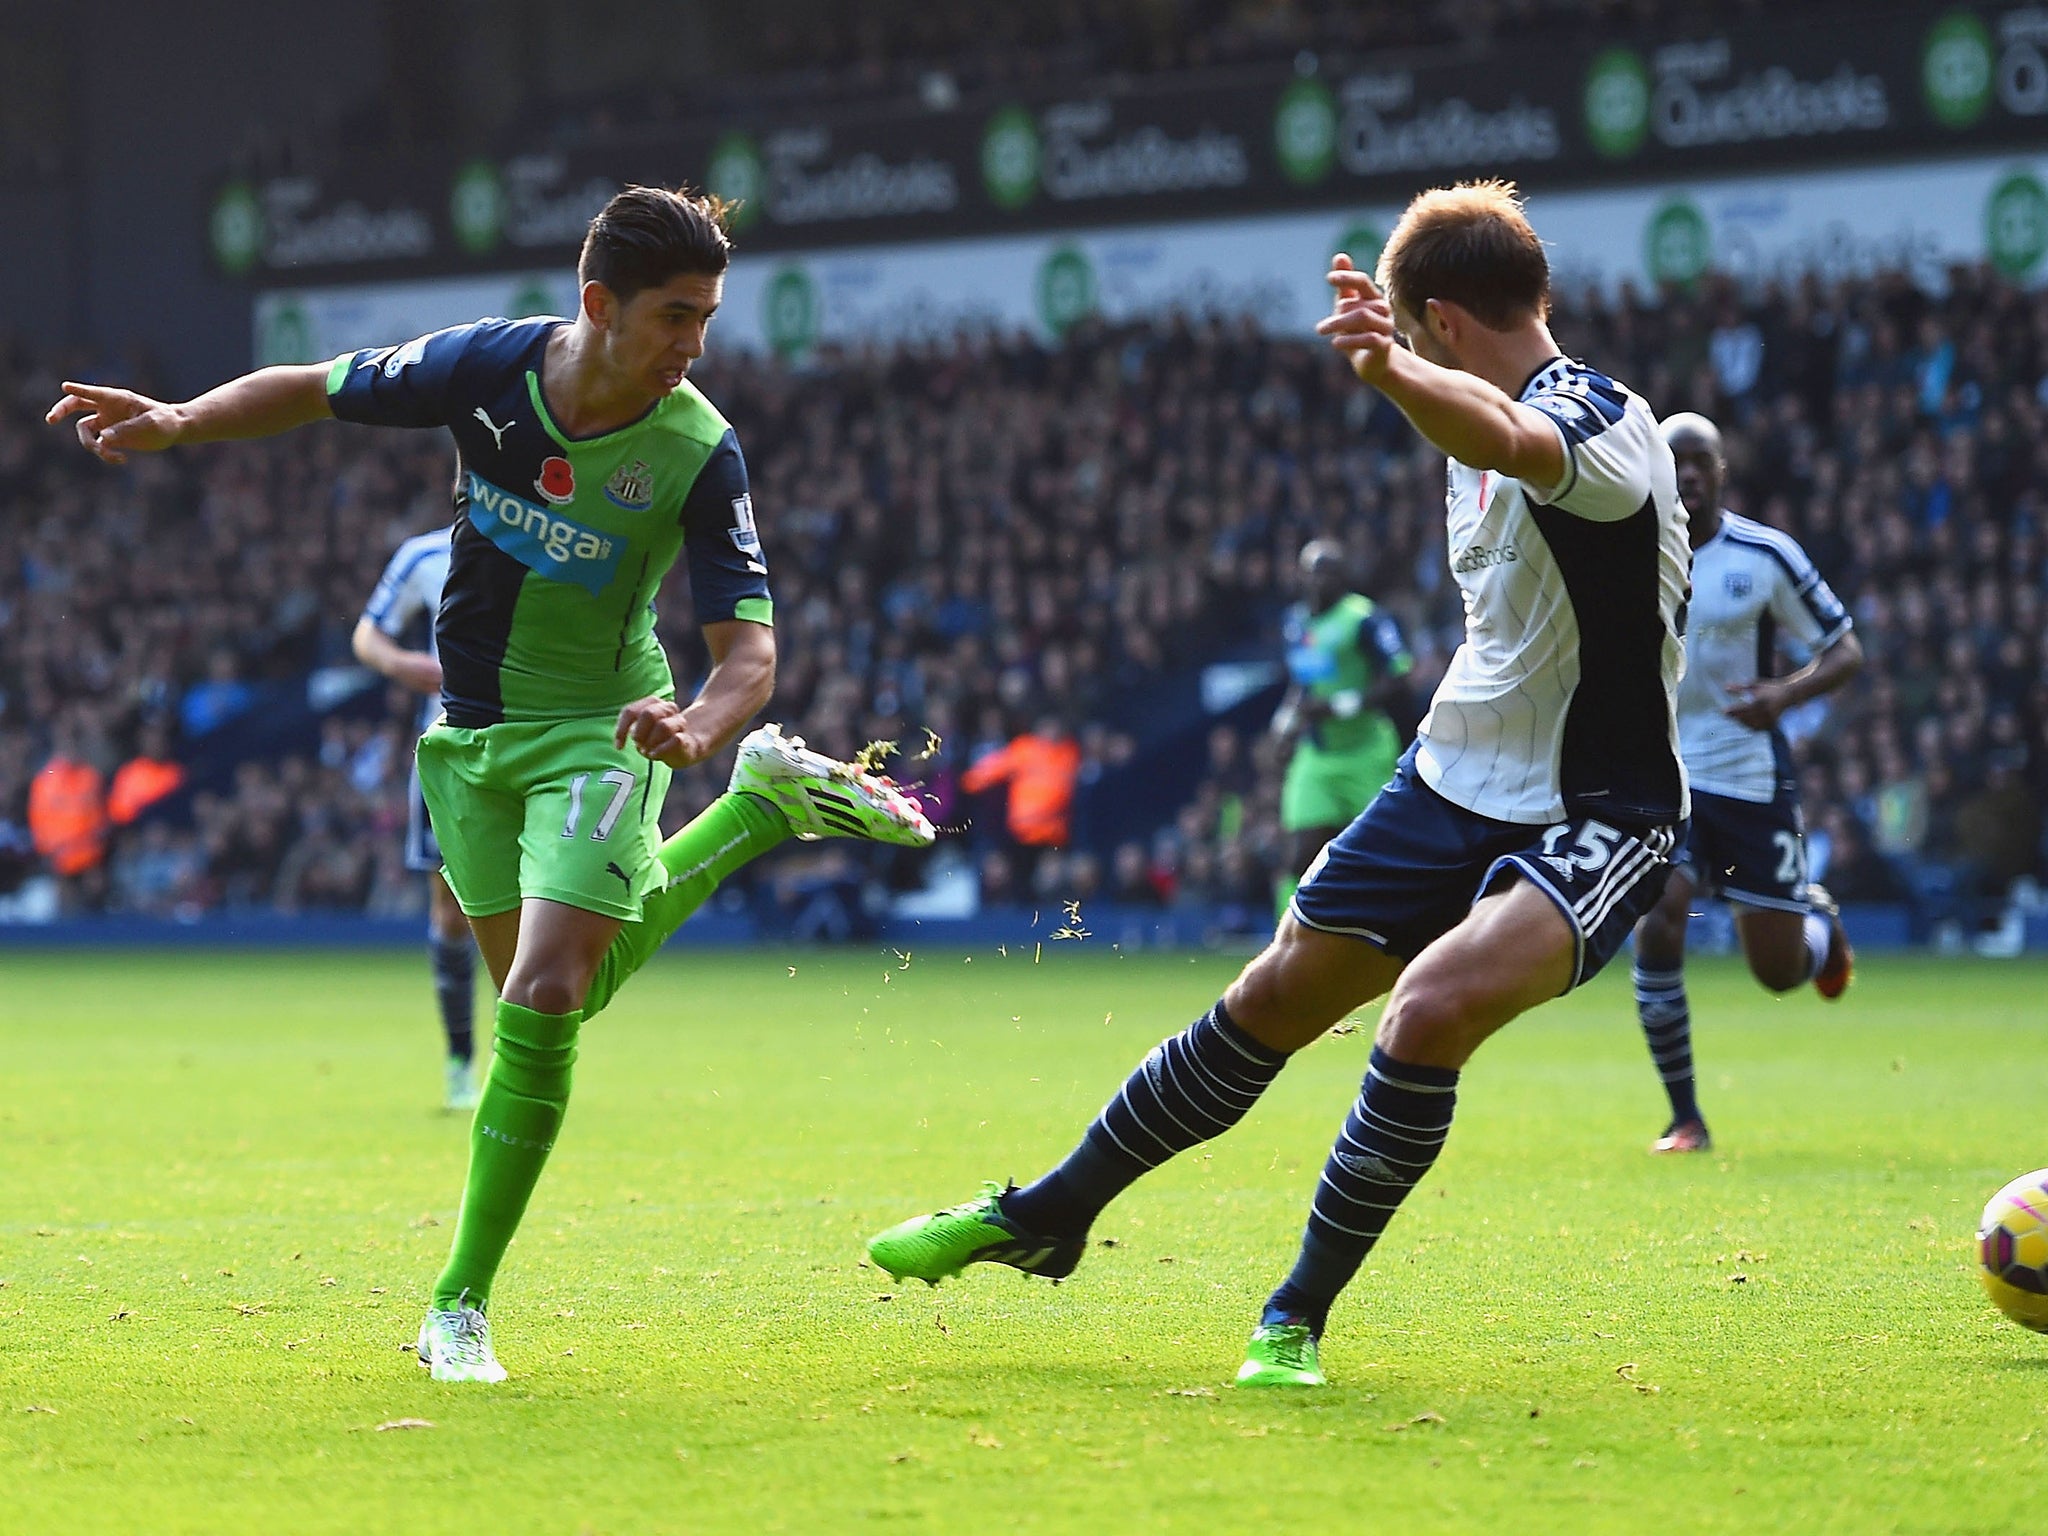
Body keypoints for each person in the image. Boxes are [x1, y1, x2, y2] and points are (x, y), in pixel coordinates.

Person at [48, 184, 934, 1384]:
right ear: (597, 305)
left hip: (602, 728)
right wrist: (179, 420)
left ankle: (457, 1305)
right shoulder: (484, 371)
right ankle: (762, 809)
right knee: (566, 984)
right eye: (676, 315)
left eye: (708, 317)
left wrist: (699, 726)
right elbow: (314, 387)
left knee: (546, 988)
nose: (695, 345)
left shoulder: (696, 449)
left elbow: (750, 653)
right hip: (468, 740)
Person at [866, 180, 1689, 1390]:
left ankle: (1291, 1317)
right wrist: (1410, 374)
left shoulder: (1607, 422)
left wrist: (1390, 376)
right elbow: (1481, 434)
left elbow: (1515, 438)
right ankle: (1047, 1213)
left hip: (1596, 806)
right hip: (1449, 777)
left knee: (1426, 1011)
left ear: (1441, 322)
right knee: (1269, 999)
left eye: (1412, 336)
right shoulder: (1462, 406)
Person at [1629, 414, 1860, 1155]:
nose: (1689, 476)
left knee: (1777, 972)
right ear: (1657, 473)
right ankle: (1685, 1116)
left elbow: (1844, 649)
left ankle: (1818, 931)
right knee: (1659, 919)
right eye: (1676, 463)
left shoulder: (1764, 556)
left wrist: (1783, 697)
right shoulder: (1626, 554)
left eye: (1702, 463)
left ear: (1723, 472)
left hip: (1753, 783)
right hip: (1668, 786)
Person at [352, 523, 485, 1111]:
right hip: (450, 748)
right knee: (451, 911)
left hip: (537, 738)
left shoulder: (549, 537)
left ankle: (530, 1054)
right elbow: (367, 634)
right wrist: (405, 665)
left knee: (539, 898)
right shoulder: (427, 555)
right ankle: (460, 1060)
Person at [1270, 539, 1412, 920]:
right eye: (1312, 571)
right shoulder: (1295, 622)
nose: (1319, 580)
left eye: (1328, 571)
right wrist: (1285, 722)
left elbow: (1399, 677)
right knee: (1300, 853)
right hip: (1317, 754)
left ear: (1343, 577)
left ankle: (1389, 927)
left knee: (1376, 853)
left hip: (1366, 750)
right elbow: (1303, 683)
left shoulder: (1364, 618)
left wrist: (1339, 706)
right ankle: (1285, 939)